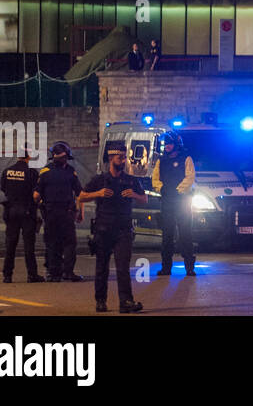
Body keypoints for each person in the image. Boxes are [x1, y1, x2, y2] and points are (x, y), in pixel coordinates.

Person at [80, 140, 144, 313]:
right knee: (102, 267)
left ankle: (126, 302)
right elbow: (81, 197)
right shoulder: (100, 180)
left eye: (124, 158)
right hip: (103, 229)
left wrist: (135, 195)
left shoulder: (130, 180)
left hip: (123, 230)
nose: (123, 161)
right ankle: (100, 301)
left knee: (123, 267)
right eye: (120, 157)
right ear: (111, 158)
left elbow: (144, 198)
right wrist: (98, 194)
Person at [33, 142, 84, 282]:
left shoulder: (45, 172)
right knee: (69, 243)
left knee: (52, 242)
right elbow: (80, 194)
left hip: (50, 214)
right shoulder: (70, 171)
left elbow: (36, 196)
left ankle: (53, 273)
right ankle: (68, 272)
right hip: (67, 213)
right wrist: (80, 211)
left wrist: (38, 209)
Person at [151, 130, 196, 276]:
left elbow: (190, 177)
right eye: (166, 144)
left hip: (182, 201)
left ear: (176, 144)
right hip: (167, 201)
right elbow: (155, 178)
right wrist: (162, 188)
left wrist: (178, 190)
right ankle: (166, 267)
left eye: (169, 144)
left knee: (185, 235)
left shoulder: (186, 159)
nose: (166, 146)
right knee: (167, 235)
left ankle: (189, 267)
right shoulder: (161, 160)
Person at [0, 149, 45, 284]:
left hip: (11, 210)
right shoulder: (31, 173)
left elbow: (3, 188)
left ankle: (7, 275)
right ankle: (32, 274)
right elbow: (36, 193)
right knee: (28, 245)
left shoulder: (7, 171)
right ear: (28, 157)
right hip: (27, 211)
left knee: (10, 245)